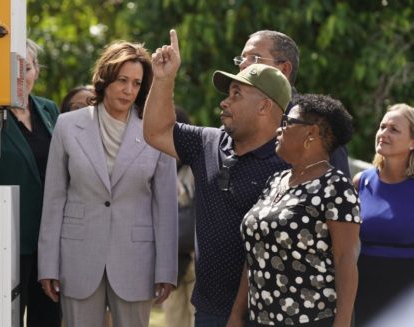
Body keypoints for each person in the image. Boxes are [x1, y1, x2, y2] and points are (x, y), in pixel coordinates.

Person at [144, 30, 291, 326]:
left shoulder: (289, 163)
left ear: (264, 107)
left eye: (237, 94)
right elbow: (155, 131)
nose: (225, 102)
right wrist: (163, 79)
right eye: (228, 93)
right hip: (209, 310)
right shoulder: (207, 143)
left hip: (268, 313)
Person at [38, 40, 178, 327]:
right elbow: (54, 199)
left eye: (137, 83)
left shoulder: (157, 131)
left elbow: (166, 205)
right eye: (122, 80)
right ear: (105, 79)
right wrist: (48, 264)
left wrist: (166, 269)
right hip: (77, 257)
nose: (128, 90)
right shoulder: (67, 125)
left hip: (136, 260)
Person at [230, 94, 360, 327]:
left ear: (311, 132)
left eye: (286, 122)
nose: (278, 130)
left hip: (309, 319)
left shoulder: (337, 187)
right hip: (259, 318)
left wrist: (342, 323)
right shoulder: (275, 181)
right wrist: (237, 314)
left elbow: (345, 260)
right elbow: (253, 255)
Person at [0, 39, 61, 326]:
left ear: (37, 71)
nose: (22, 78)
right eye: (13, 71)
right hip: (8, 242)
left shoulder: (50, 111)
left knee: (47, 319)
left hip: (49, 243)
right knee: (4, 318)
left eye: (28, 68)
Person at [235, 30, 351, 178]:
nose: (243, 65)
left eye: (254, 58)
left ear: (284, 69)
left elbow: (337, 193)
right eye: (242, 59)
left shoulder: (317, 123)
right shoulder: (236, 117)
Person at [353, 103, 414, 326]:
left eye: (394, 129)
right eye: (382, 127)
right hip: (362, 293)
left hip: (404, 300)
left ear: (412, 142)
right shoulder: (361, 181)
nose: (384, 134)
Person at [162, 107, 197, 327]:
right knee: (174, 318)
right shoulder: (159, 165)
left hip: (195, 255)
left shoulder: (196, 165)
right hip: (170, 255)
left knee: (196, 316)